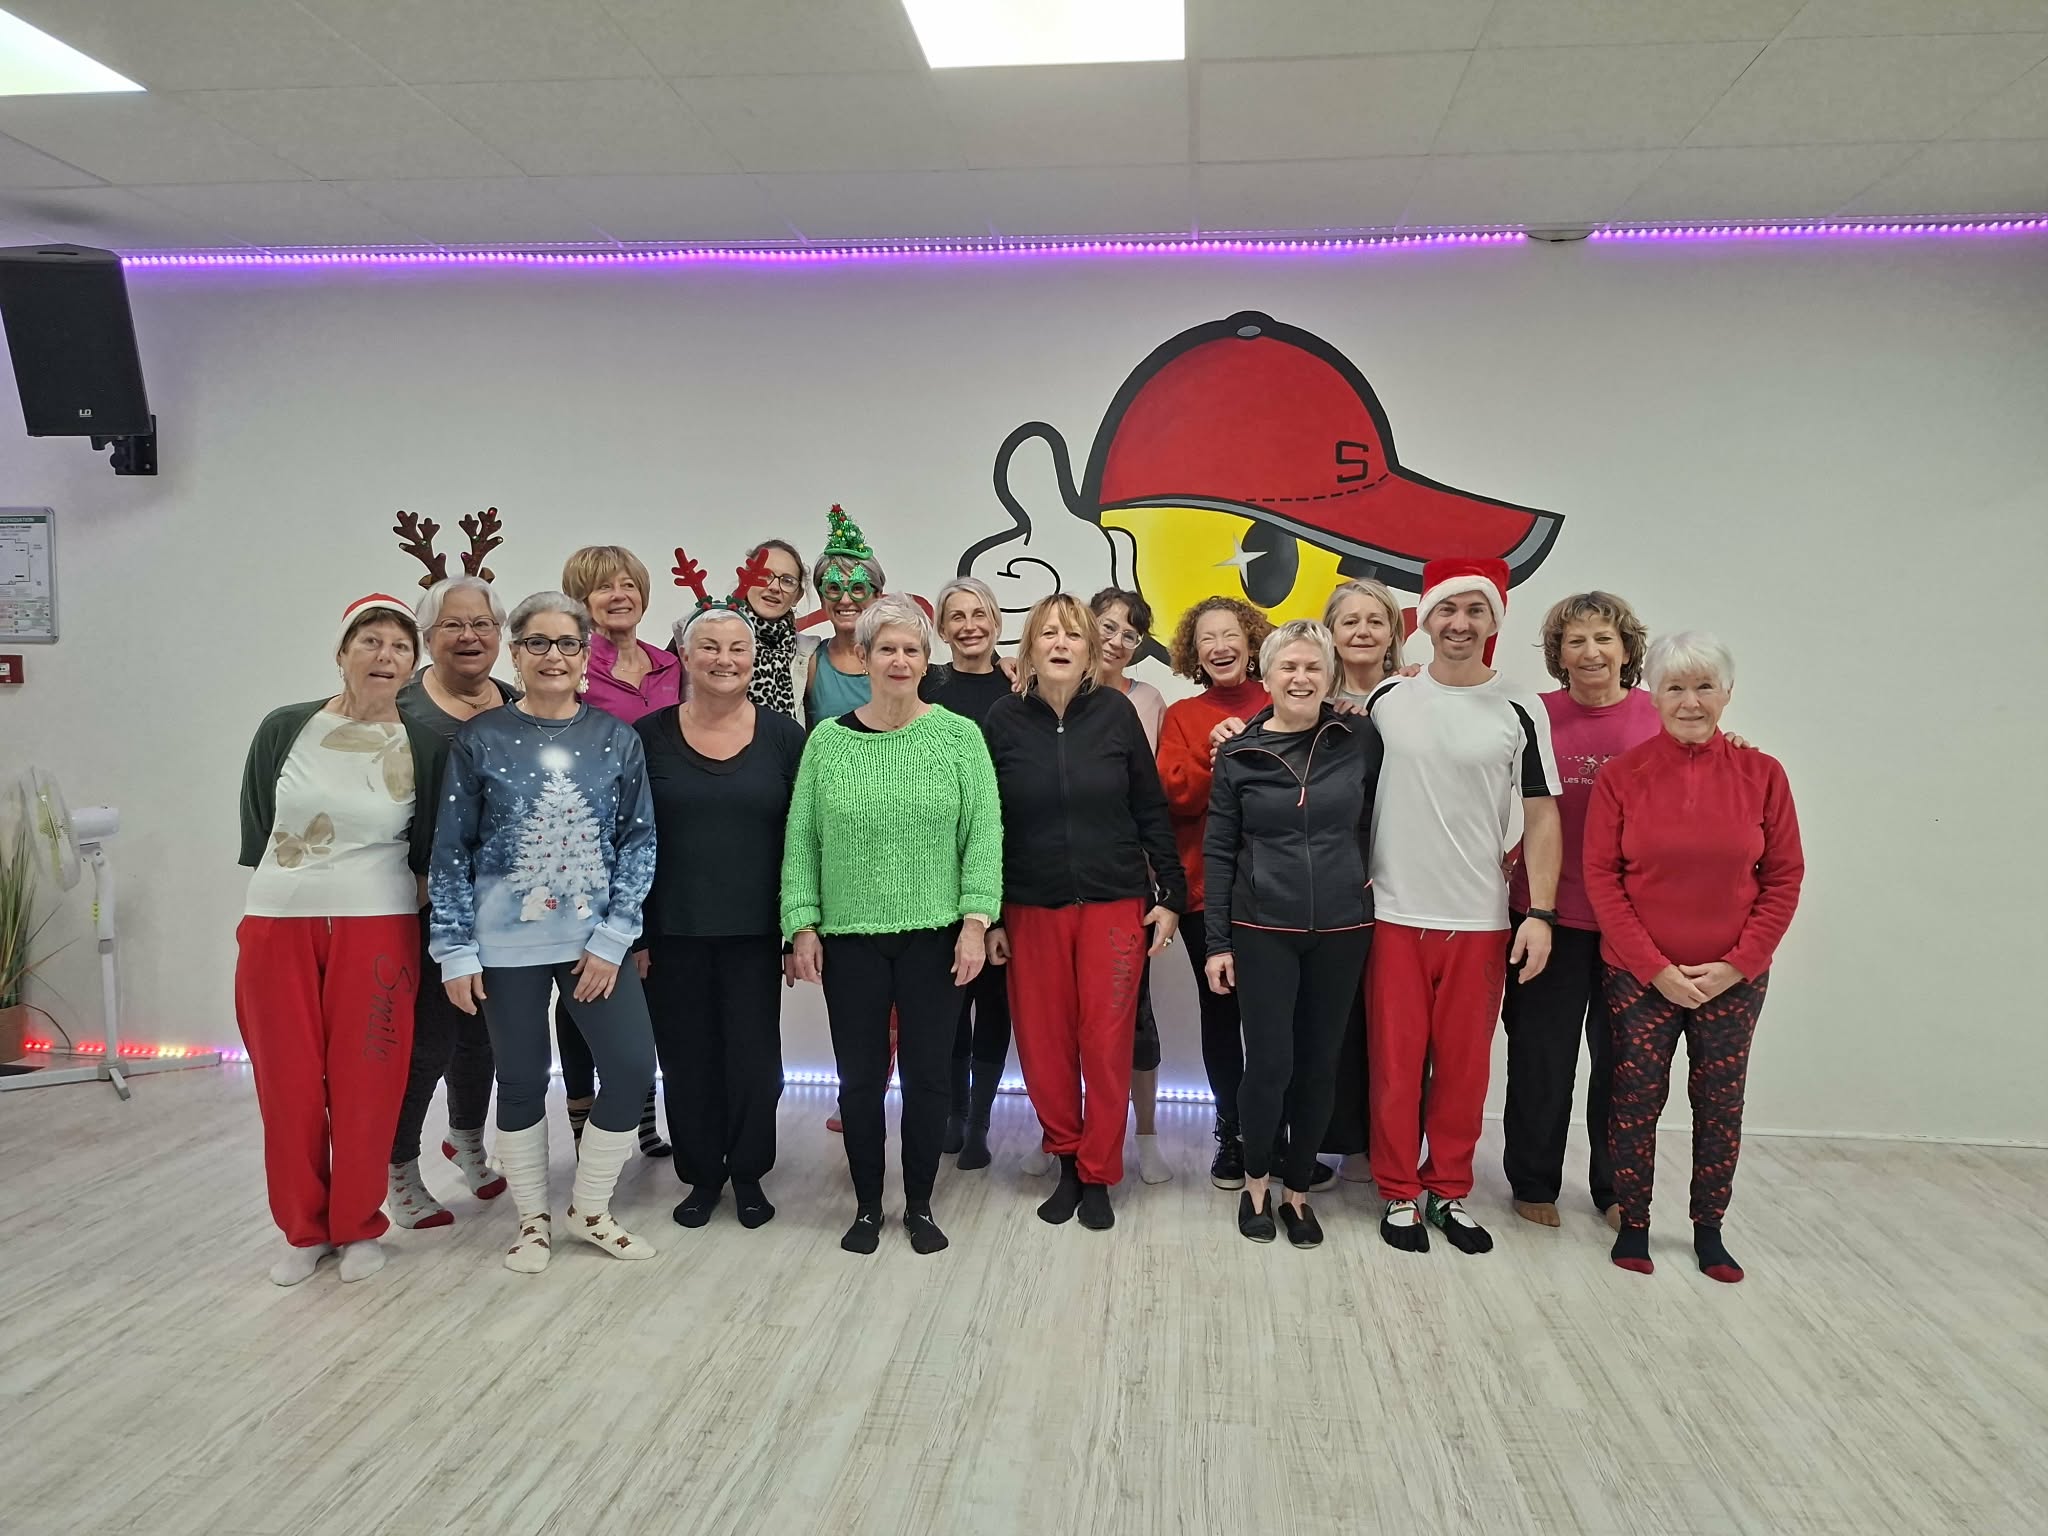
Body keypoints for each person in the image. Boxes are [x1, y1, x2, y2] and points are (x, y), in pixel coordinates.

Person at [430, 591, 659, 1274]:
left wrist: (615, 937)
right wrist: (454, 949)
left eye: (566, 643)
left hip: (594, 946)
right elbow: (452, 849)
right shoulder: (481, 739)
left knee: (630, 1067)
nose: (552, 656)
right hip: (506, 948)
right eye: (537, 642)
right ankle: (531, 1221)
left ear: (585, 652)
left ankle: (590, 1209)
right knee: (522, 1079)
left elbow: (638, 841)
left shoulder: (616, 739)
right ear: (516, 652)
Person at [782, 594, 1002, 1256]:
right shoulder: (828, 743)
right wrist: (802, 923)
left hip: (937, 938)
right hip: (850, 940)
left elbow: (982, 837)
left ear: (926, 660)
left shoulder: (959, 738)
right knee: (859, 1079)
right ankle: (868, 1206)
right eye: (887, 649)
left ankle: (922, 1204)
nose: (899, 660)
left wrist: (975, 921)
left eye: (911, 649)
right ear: (866, 657)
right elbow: (802, 840)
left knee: (929, 1078)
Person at [1585, 632, 1802, 1283]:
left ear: (1726, 694)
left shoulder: (1763, 775)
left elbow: (1784, 877)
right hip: (1639, 977)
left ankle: (1709, 1230)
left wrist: (1738, 964)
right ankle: (1635, 1224)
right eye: (1675, 687)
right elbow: (1603, 879)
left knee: (1720, 1105)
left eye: (1704, 686)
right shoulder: (1621, 777)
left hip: (1733, 980)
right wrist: (1655, 969)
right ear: (1652, 695)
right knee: (1634, 1100)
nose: (1690, 701)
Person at [237, 595, 440, 1285]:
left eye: (400, 647)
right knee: (287, 1082)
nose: (385, 656)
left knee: (369, 1080)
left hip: (377, 925)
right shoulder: (285, 728)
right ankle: (303, 1230)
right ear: (342, 651)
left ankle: (357, 1225)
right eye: (370, 641)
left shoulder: (424, 745)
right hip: (279, 922)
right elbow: (259, 826)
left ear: (413, 665)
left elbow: (427, 850)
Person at [1365, 557, 1561, 1256]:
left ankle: (1447, 1190)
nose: (1460, 623)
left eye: (1476, 610)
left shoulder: (1520, 706)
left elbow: (1541, 813)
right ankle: (1397, 1191)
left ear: (1493, 622)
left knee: (1464, 1070)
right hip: (1393, 914)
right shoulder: (1388, 697)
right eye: (1448, 609)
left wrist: (1540, 914)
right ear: (1425, 619)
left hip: (1479, 919)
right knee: (1395, 1066)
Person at [983, 595, 1185, 1232]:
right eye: (1048, 633)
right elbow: (985, 825)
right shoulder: (1003, 719)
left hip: (1113, 902)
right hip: (1029, 906)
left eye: (1073, 634)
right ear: (1029, 648)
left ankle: (1099, 1172)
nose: (1061, 644)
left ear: (1090, 649)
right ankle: (1067, 1159)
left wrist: (1170, 895)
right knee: (1043, 1042)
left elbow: (1150, 807)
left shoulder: (1116, 713)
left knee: (1105, 1042)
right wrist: (989, 916)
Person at [1205, 620, 1381, 1246]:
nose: (1301, 678)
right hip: (1262, 928)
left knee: (1318, 1064)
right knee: (1268, 1064)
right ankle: (1256, 1185)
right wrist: (1217, 943)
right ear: (1268, 675)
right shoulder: (1239, 752)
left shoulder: (1360, 738)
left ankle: (1298, 1191)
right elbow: (1219, 850)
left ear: (1330, 676)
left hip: (1343, 926)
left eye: (1313, 667)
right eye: (1289, 666)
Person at [639, 595, 806, 1231]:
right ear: (684, 655)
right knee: (688, 1062)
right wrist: (636, 934)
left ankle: (749, 1173)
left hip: (755, 933)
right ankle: (702, 1175)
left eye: (738, 648)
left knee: (756, 1065)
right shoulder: (647, 737)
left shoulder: (785, 737)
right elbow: (629, 838)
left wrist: (796, 929)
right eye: (709, 647)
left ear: (753, 659)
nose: (724, 659)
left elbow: (803, 839)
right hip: (672, 931)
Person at [1499, 591, 1658, 1231]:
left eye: (1603, 639)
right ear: (1558, 655)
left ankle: (1615, 1187)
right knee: (1540, 1057)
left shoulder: (1659, 716)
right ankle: (1533, 1180)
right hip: (1545, 916)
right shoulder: (1533, 714)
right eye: (1576, 641)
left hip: (1633, 925)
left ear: (1626, 649)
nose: (1591, 652)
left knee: (1623, 1064)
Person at [385, 575, 517, 1231]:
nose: (469, 637)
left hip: (501, 906)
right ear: (428, 637)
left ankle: (466, 1138)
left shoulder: (516, 704)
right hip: (422, 904)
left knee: (483, 1035)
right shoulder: (401, 710)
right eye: (453, 626)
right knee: (427, 1042)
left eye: (482, 625)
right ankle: (399, 1171)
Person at [558, 545, 676, 1161]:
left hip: (668, 840)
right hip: (596, 845)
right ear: (581, 601)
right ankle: (583, 1118)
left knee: (648, 978)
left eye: (628, 584)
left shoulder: (671, 664)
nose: (618, 596)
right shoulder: (574, 666)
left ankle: (643, 1111)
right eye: (603, 587)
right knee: (585, 981)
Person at [1154, 597, 1271, 1188]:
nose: (1220, 646)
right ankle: (1233, 1130)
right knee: (1221, 1014)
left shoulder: (1283, 699)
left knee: (1277, 1019)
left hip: (1279, 892)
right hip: (1208, 893)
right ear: (1193, 653)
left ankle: (1276, 1131)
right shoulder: (1182, 716)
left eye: (1230, 635)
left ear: (1251, 643)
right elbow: (1175, 797)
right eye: (1207, 638)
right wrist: (1216, 756)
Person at [921, 576, 1016, 1169]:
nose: (969, 625)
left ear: (996, 622)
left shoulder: (1019, 687)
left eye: (979, 614)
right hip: (936, 869)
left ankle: (980, 1121)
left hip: (1004, 863)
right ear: (941, 627)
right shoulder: (927, 687)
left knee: (994, 1003)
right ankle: (954, 1114)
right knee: (948, 1002)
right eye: (956, 616)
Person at [1319, 578, 1409, 1183]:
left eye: (1375, 621)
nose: (1362, 632)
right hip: (1334, 880)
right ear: (1330, 632)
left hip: (1403, 879)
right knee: (1337, 1016)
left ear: (1393, 633)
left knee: (1393, 1023)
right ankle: (1335, 1136)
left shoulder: (1415, 695)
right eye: (1349, 621)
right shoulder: (1306, 695)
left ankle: (1382, 1142)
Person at [1090, 587, 1173, 1185]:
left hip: (1128, 882)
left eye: (1130, 634)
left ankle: (1144, 1133)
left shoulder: (1148, 700)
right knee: (1068, 1017)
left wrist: (1162, 885)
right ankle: (1064, 1131)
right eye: (1108, 626)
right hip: (1059, 883)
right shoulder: (1042, 690)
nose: (1117, 641)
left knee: (1132, 1012)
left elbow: (1153, 799)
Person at [803, 504, 885, 732]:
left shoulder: (900, 657)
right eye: (834, 588)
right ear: (822, 599)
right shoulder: (809, 663)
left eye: (858, 588)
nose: (846, 600)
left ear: (877, 596)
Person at [736, 537, 811, 720]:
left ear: (798, 596)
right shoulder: (705, 633)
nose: (774, 587)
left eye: (787, 581)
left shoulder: (807, 653)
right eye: (763, 575)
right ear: (744, 579)